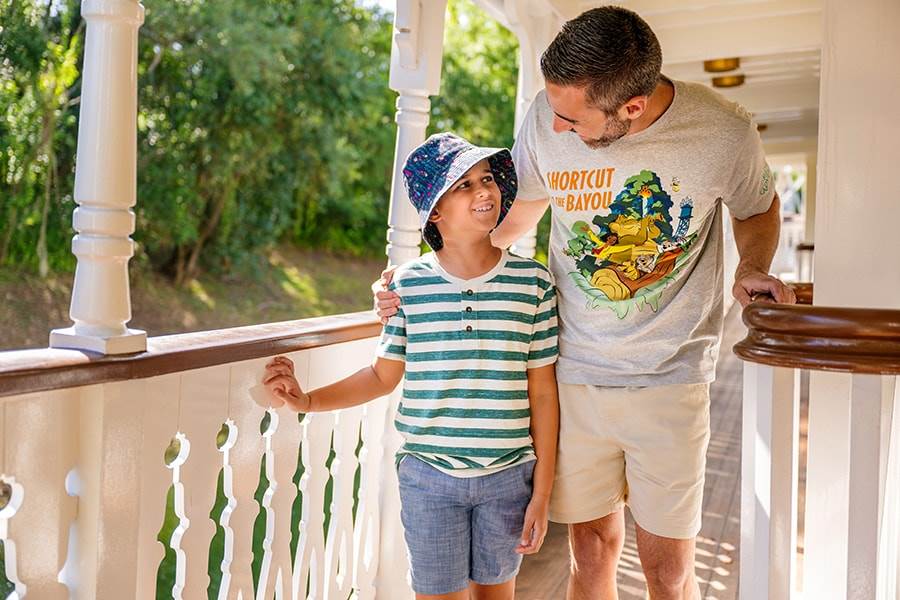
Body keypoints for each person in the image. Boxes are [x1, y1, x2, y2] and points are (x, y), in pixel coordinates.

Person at [374, 7, 797, 600]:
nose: (555, 125)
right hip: (571, 371)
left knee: (667, 571)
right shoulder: (545, 119)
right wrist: (427, 275)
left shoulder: (723, 132)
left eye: (572, 119)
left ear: (632, 107)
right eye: (552, 109)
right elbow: (512, 218)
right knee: (592, 551)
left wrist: (751, 267)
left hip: (670, 377)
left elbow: (758, 207)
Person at [265, 132, 560, 600]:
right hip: (429, 478)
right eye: (464, 185)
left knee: (496, 595)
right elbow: (381, 376)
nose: (483, 190)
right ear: (435, 212)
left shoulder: (533, 283)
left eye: (487, 178)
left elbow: (542, 392)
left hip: (508, 477)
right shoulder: (407, 285)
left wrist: (541, 494)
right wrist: (309, 401)